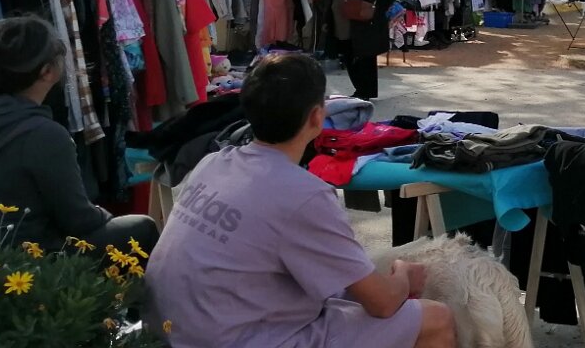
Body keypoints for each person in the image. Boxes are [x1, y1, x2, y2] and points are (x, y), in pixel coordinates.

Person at [146, 54, 456, 348]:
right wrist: (404, 275)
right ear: (317, 117)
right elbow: (383, 303)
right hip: (235, 339)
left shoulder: (212, 163)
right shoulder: (304, 195)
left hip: (176, 331)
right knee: (436, 318)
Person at [0, 17, 161, 252]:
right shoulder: (43, 134)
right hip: (24, 258)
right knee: (142, 228)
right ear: (47, 71)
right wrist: (103, 215)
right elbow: (80, 221)